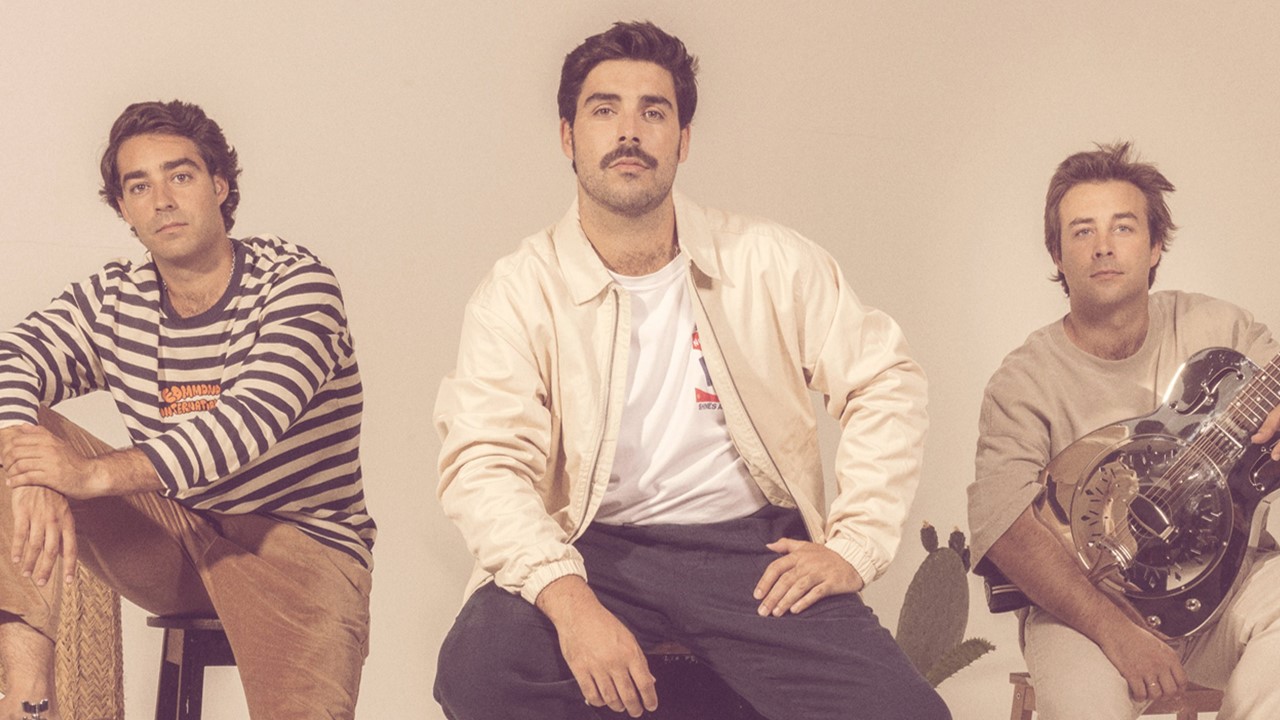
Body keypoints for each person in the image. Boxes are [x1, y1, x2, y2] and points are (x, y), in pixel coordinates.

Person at [433, 20, 947, 720]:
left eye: (654, 112)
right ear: (567, 136)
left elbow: (884, 378)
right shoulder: (519, 291)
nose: (629, 131)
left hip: (750, 552)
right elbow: (484, 461)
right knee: (480, 673)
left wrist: (854, 545)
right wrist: (569, 599)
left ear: (682, 140)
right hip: (591, 545)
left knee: (903, 713)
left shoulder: (767, 260)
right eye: (604, 109)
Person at [0, 100, 375, 719]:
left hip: (296, 544)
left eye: (180, 175)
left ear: (220, 185)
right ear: (123, 208)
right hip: (176, 535)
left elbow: (248, 423)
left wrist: (87, 474)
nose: (162, 200)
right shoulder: (116, 299)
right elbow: (12, 356)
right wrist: (35, 470)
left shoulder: (295, 285)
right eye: (138, 186)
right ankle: (27, 701)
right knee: (15, 436)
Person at [968, 142, 1280, 720]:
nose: (1104, 246)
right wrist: (1118, 634)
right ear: (1057, 254)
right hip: (1088, 609)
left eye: (1124, 227)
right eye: (1082, 231)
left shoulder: (1220, 327)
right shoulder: (1023, 380)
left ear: (1156, 245)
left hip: (1230, 585)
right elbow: (1004, 527)